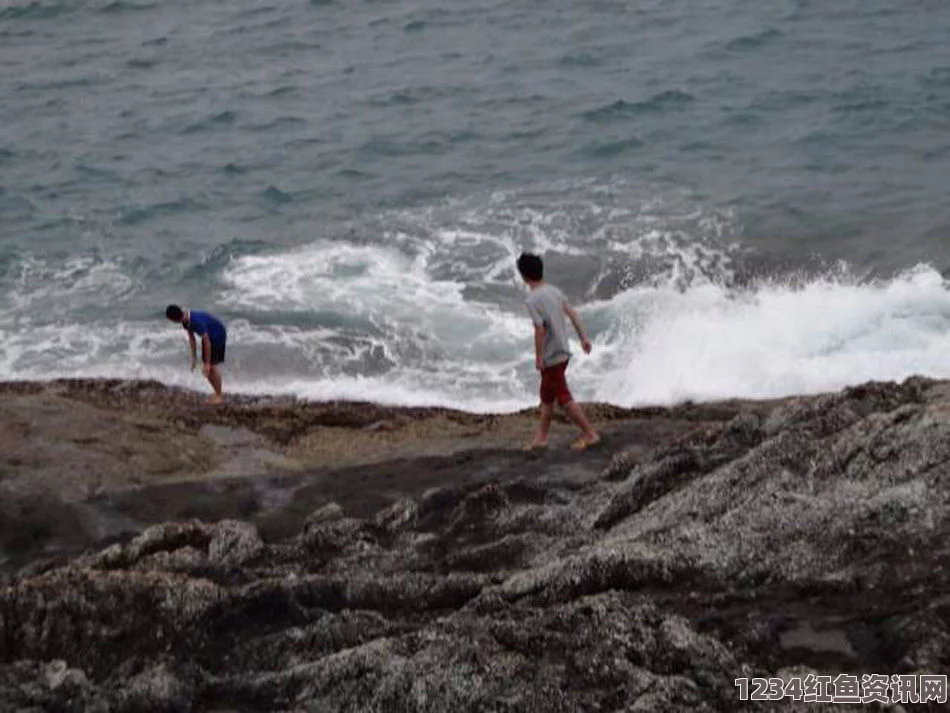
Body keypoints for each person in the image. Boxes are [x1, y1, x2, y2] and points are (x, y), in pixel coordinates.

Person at [517, 253, 601, 451]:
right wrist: (583, 338)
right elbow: (572, 314)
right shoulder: (554, 291)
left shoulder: (532, 300)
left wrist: (538, 357)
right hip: (563, 351)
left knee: (563, 397)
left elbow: (539, 330)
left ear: (524, 276)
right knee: (546, 396)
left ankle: (590, 434)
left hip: (551, 355)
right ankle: (541, 439)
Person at [165, 305, 227, 404]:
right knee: (208, 368)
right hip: (209, 336)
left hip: (217, 336)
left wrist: (207, 363)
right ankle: (217, 393)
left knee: (210, 367)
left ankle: (219, 395)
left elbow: (207, 342)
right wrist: (194, 358)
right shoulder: (185, 320)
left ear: (174, 319)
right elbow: (192, 339)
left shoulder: (195, 322)